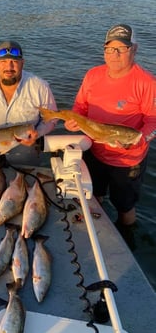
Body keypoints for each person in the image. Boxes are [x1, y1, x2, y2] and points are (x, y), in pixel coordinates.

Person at [64, 24, 156, 245]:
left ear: (134, 49)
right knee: (93, 195)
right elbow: (80, 108)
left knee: (125, 206)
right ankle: (97, 229)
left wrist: (137, 141)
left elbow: (153, 122)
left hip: (127, 161)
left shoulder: (147, 82)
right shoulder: (93, 75)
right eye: (109, 49)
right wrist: (73, 121)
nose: (114, 55)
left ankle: (127, 238)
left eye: (121, 49)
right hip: (95, 151)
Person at [0, 39, 57, 158]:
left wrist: (37, 134)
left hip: (26, 154)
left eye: (14, 61)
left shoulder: (40, 86)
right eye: (3, 61)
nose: (9, 67)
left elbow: (52, 118)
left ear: (22, 63)